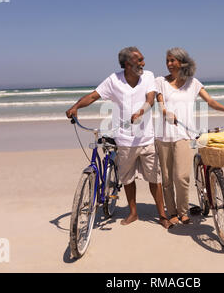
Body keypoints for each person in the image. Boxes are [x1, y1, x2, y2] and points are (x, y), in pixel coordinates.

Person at [66, 47, 172, 229]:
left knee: (155, 178)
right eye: (139, 60)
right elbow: (93, 96)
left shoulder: (148, 76)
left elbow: (150, 100)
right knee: (127, 179)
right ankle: (133, 213)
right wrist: (76, 106)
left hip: (146, 139)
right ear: (127, 64)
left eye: (142, 60)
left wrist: (140, 112)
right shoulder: (113, 80)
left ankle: (162, 215)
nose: (143, 63)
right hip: (124, 140)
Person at [155, 47, 224, 225]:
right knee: (167, 178)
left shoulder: (193, 83)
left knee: (182, 177)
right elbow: (161, 105)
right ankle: (172, 212)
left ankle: (183, 211)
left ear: (182, 62)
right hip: (163, 136)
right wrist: (166, 113)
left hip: (185, 135)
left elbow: (210, 101)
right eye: (167, 61)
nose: (169, 64)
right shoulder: (160, 82)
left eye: (173, 60)